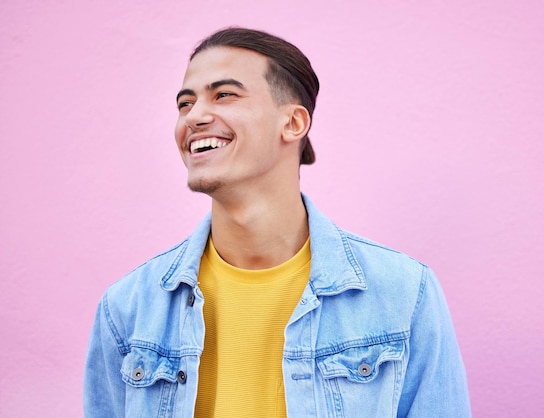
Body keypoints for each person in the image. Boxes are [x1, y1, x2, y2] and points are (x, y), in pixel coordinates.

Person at [83, 27, 471, 417]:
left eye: (225, 95)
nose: (194, 116)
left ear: (293, 123)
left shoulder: (403, 295)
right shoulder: (128, 309)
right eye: (185, 104)